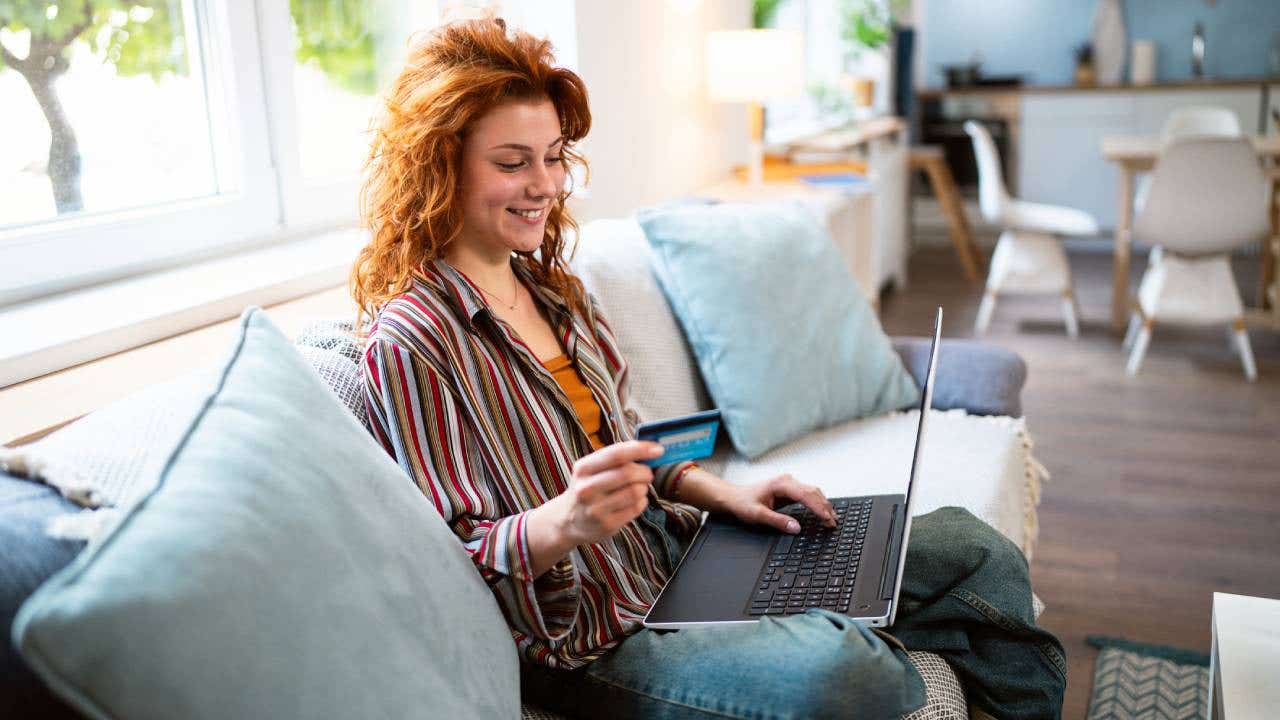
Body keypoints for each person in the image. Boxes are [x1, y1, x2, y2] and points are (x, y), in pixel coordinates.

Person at [354, 16, 1065, 720]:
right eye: (512, 162)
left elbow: (626, 448)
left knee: (976, 551)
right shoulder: (414, 340)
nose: (545, 184)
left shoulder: (555, 294)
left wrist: (725, 493)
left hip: (676, 558)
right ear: (439, 164)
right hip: (595, 641)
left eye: (554, 155)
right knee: (848, 670)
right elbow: (457, 558)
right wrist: (565, 523)